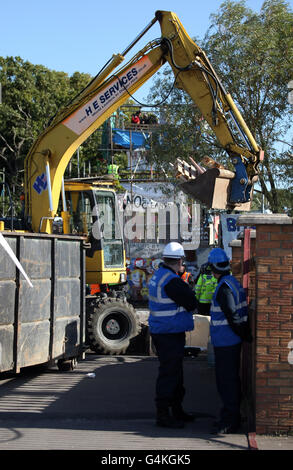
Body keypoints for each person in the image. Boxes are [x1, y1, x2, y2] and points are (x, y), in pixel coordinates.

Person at [148, 242, 197, 428]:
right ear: (179, 260)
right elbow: (191, 302)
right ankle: (163, 415)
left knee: (175, 373)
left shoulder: (159, 275)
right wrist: (186, 285)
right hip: (169, 332)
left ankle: (176, 410)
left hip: (163, 331)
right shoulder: (172, 280)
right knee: (169, 374)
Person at [206, 248, 253, 435]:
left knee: (226, 382)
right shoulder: (232, 282)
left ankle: (230, 421)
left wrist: (242, 334)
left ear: (213, 267)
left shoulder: (224, 287)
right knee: (230, 380)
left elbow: (232, 316)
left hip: (226, 341)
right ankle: (230, 416)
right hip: (230, 340)